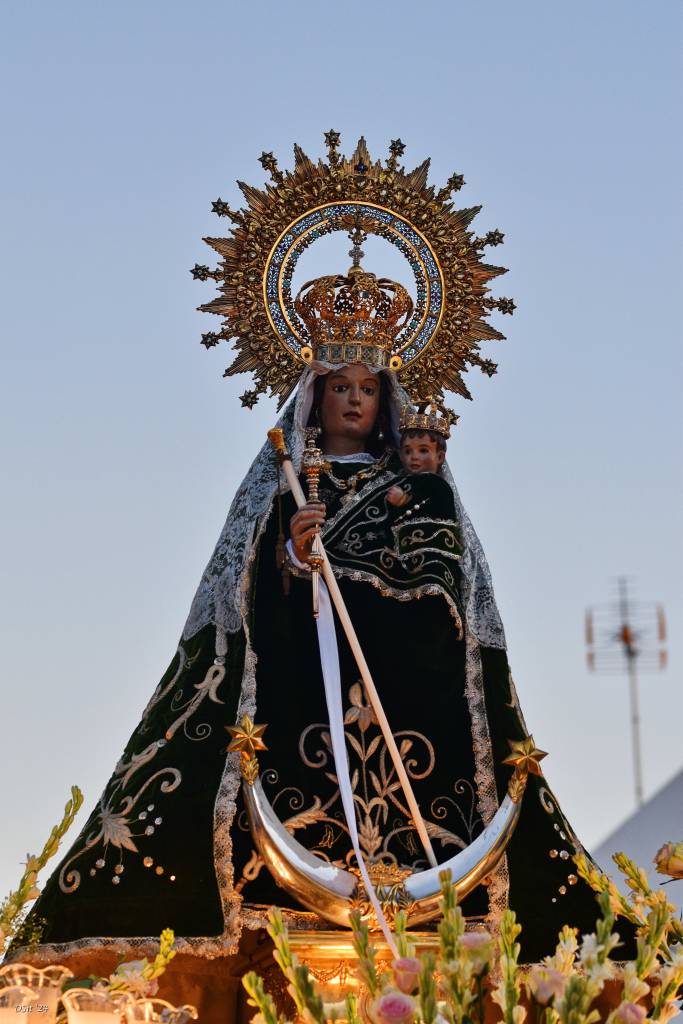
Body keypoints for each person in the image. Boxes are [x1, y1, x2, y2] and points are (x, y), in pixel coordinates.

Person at [13, 135, 629, 1020]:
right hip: (302, 691)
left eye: (368, 389)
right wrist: (291, 555)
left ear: (387, 402)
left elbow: (453, 586)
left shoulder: (418, 485)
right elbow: (237, 603)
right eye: (339, 386)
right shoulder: (281, 487)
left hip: (408, 695)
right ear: (313, 392)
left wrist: (379, 566)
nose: (353, 400)